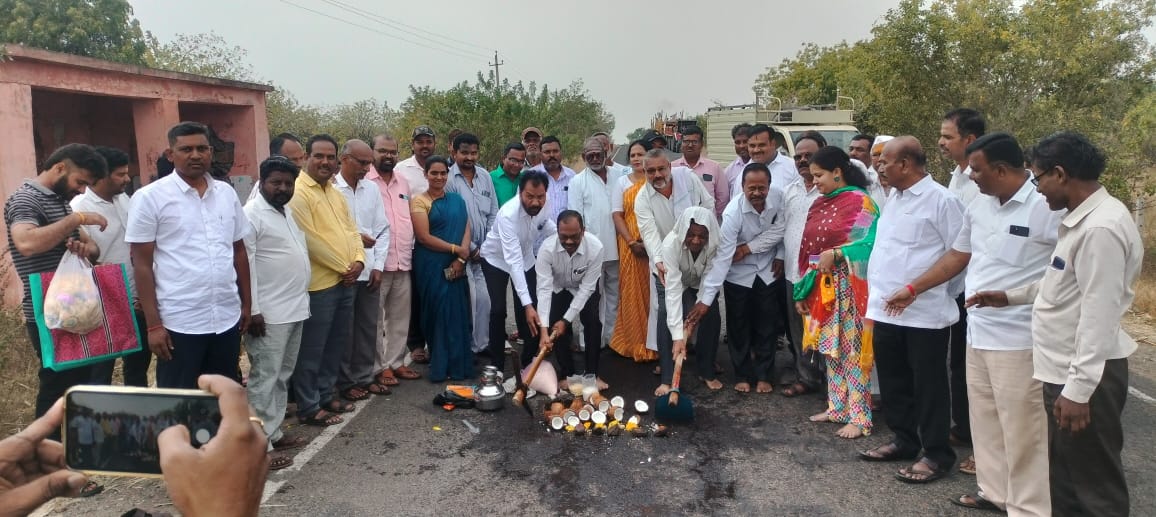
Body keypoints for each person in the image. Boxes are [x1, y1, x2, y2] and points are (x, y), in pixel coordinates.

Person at [968, 132, 1142, 516]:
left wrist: (1079, 391)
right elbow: (1063, 281)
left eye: (1038, 177)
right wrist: (1011, 296)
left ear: (1060, 174)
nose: (1036, 188)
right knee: (1064, 481)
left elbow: (1099, 314)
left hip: (1083, 375)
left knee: (1094, 486)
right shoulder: (1081, 220)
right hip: (1063, 369)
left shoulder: (1101, 228)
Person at [884, 133, 1057, 514]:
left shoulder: (1046, 207)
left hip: (1021, 335)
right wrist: (914, 288)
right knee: (985, 419)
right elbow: (959, 254)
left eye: (976, 170)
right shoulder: (979, 202)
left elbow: (1068, 270)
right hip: (979, 330)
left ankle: (1028, 507)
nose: (970, 176)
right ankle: (994, 491)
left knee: (1023, 429)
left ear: (1000, 169)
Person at [858, 136, 963, 484]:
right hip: (886, 310)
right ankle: (905, 440)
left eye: (885, 161)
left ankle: (936, 453)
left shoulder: (942, 201)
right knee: (894, 381)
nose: (879, 166)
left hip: (924, 314)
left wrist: (928, 293)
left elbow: (959, 256)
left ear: (905, 164)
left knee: (929, 385)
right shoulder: (895, 198)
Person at [127, 122, 252, 390]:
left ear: (210, 152)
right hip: (179, 322)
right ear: (170, 154)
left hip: (226, 317)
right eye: (186, 149)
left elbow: (238, 251)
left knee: (223, 395)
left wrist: (246, 304)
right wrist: (153, 326)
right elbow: (142, 265)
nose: (195, 155)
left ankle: (219, 435)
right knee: (180, 401)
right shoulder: (149, 198)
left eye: (201, 148)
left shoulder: (226, 194)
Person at [792, 146, 880, 439]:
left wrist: (839, 253)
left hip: (850, 286)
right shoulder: (819, 204)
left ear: (837, 173)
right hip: (821, 286)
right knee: (830, 349)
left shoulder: (862, 203)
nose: (814, 181)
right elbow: (808, 248)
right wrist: (803, 289)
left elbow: (870, 242)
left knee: (851, 350)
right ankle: (837, 407)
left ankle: (860, 417)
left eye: (819, 175)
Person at [286, 134, 365, 426]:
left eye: (330, 157)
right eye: (319, 156)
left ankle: (326, 393)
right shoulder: (298, 192)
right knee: (312, 347)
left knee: (335, 343)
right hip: (319, 284)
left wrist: (359, 260)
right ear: (307, 157)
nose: (325, 162)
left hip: (344, 280)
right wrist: (345, 268)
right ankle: (308, 405)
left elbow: (351, 230)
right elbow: (308, 239)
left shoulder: (334, 192)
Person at [243, 155, 312, 471]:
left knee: (282, 376)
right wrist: (253, 310)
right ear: (262, 182)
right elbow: (245, 266)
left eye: (288, 183)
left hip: (294, 308)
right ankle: (257, 446)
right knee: (263, 379)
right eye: (276, 183)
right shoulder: (251, 215)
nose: (283, 188)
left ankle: (274, 431)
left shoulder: (285, 212)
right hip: (267, 314)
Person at [70, 146, 151, 387]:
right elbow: (80, 255)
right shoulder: (79, 208)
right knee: (101, 367)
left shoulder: (125, 199)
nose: (127, 179)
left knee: (138, 362)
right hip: (103, 298)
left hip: (137, 295)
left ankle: (138, 415)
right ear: (102, 176)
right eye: (120, 174)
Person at [700, 162, 784, 395]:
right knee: (738, 325)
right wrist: (707, 298)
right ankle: (743, 374)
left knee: (766, 325)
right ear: (742, 187)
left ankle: (765, 375)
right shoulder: (732, 213)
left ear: (769, 185)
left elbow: (783, 229)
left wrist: (753, 249)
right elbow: (724, 257)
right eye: (752, 189)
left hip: (767, 270)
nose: (757, 193)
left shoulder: (778, 198)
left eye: (762, 188)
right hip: (737, 273)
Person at [940, 108, 986, 472]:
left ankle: (985, 448)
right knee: (959, 363)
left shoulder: (984, 181)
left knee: (982, 372)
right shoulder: (957, 177)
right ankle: (965, 428)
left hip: (982, 290)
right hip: (959, 286)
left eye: (948, 137)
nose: (941, 143)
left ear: (969, 140)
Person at [481, 171, 557, 373]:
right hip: (495, 259)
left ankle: (528, 362)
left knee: (532, 311)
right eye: (530, 196)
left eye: (540, 197)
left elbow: (544, 223)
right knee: (498, 310)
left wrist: (562, 237)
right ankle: (496, 364)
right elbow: (512, 262)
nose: (535, 202)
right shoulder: (508, 215)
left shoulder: (544, 203)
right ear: (520, 192)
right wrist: (527, 305)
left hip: (525, 257)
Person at [334, 139, 392, 401]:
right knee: (344, 332)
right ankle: (345, 383)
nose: (367, 168)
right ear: (344, 159)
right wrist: (358, 238)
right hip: (342, 272)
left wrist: (378, 265)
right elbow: (330, 232)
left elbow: (383, 229)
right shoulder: (332, 190)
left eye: (369, 163)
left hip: (369, 270)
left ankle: (364, 377)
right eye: (362, 162)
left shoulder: (371, 189)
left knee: (368, 327)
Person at [410, 156, 474, 382]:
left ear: (448, 175)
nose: (439, 177)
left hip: (456, 263)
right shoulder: (419, 201)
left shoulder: (457, 200)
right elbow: (424, 237)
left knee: (457, 313)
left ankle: (459, 364)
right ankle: (440, 364)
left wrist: (462, 257)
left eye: (443, 173)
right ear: (425, 175)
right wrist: (456, 249)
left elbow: (467, 227)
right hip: (431, 264)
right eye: (434, 173)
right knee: (436, 313)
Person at [367, 134, 422, 385]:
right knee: (376, 319)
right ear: (372, 152)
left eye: (392, 152)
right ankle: (379, 367)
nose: (388, 156)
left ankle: (396, 362)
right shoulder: (365, 182)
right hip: (377, 263)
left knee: (400, 317)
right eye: (382, 151)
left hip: (403, 259)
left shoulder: (403, 182)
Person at [779, 134, 826, 398]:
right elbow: (783, 228)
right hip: (792, 273)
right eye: (798, 156)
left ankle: (836, 384)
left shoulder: (831, 191)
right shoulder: (790, 190)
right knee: (799, 330)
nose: (803, 160)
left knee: (827, 329)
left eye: (809, 155)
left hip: (822, 275)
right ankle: (807, 378)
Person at [534, 210, 604, 384]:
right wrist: (544, 329)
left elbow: (587, 288)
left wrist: (566, 320)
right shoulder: (546, 249)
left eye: (574, 236)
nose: (569, 242)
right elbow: (543, 290)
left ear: (583, 231)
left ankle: (592, 375)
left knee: (593, 322)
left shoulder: (596, 248)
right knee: (556, 329)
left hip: (584, 287)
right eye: (564, 237)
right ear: (557, 232)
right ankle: (567, 374)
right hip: (558, 287)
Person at [569, 137, 626, 350]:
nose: (594, 158)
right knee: (590, 297)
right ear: (584, 157)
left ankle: (611, 338)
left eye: (598, 154)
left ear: (606, 153)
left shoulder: (618, 176)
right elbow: (575, 217)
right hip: (591, 250)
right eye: (589, 155)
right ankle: (588, 341)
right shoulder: (577, 181)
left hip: (618, 246)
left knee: (614, 295)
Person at [444, 133, 498, 357]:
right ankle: (466, 348)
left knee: (485, 300)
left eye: (473, 152)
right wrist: (472, 247)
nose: (469, 157)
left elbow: (494, 211)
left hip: (484, 252)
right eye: (464, 152)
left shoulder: (484, 176)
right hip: (462, 250)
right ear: (454, 153)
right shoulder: (448, 180)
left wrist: (487, 246)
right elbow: (453, 219)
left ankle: (481, 345)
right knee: (470, 300)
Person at [609, 140, 659, 362]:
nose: (637, 158)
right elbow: (617, 215)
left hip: (655, 245)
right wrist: (630, 242)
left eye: (641, 154)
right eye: (633, 155)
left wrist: (653, 243)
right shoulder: (622, 182)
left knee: (654, 295)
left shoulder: (656, 180)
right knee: (630, 294)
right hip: (630, 245)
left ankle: (656, 344)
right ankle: (631, 342)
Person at [663, 206, 723, 390]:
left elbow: (710, 278)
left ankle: (706, 370)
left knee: (711, 316)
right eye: (691, 235)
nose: (696, 241)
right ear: (683, 232)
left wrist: (701, 303)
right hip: (672, 281)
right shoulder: (670, 244)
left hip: (702, 283)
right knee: (664, 316)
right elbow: (672, 290)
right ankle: (666, 376)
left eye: (702, 236)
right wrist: (677, 337)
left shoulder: (715, 245)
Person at [671, 126, 729, 220]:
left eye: (694, 142)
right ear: (681, 144)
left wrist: (712, 215)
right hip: (679, 223)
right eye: (686, 141)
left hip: (707, 224)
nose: (690, 145)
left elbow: (723, 197)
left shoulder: (714, 167)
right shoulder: (672, 168)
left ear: (701, 144)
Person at [731, 123, 797, 199]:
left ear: (773, 144)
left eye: (761, 145)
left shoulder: (792, 168)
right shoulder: (742, 175)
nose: (756, 150)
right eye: (752, 146)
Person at [247, 133, 307, 203]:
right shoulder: (264, 190)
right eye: (294, 159)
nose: (300, 164)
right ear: (277, 158)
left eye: (301, 158)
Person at [533, 136, 575, 222]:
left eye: (555, 151)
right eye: (547, 152)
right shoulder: (531, 176)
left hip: (567, 233)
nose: (552, 155)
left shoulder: (572, 176)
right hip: (539, 233)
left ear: (561, 153)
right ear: (540, 154)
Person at [396, 125, 436, 196]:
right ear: (412, 145)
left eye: (429, 142)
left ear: (435, 144)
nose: (425, 146)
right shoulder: (400, 169)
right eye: (420, 142)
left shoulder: (443, 170)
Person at [491, 143, 526, 207]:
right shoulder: (490, 178)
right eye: (513, 160)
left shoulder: (525, 179)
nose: (517, 165)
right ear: (504, 159)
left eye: (521, 161)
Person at [722, 123, 752, 198]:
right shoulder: (729, 171)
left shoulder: (763, 165)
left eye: (745, 142)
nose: (741, 146)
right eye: (737, 142)